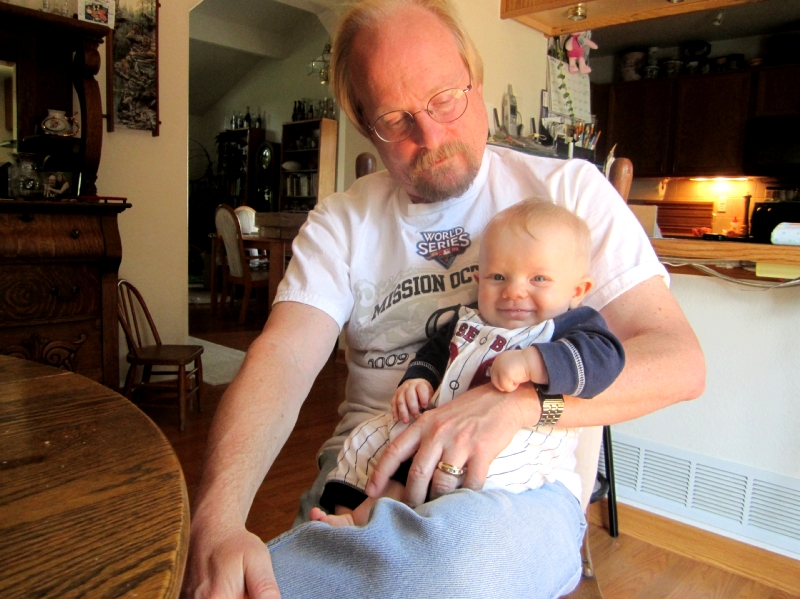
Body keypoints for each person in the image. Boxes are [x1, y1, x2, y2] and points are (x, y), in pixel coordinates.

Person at [183, 1, 705, 598]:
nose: (430, 136)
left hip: (514, 489)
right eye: (394, 118)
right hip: (368, 471)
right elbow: (282, 359)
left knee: (448, 569)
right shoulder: (340, 222)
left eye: (445, 98)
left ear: (475, 80)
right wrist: (216, 522)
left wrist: (522, 406)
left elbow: (679, 363)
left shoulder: (568, 196)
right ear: (364, 124)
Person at [311, 200, 625, 527]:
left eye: (539, 278)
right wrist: (418, 379)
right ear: (479, 279)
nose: (514, 291)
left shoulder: (572, 326)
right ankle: (350, 515)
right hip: (438, 420)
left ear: (577, 290)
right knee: (366, 438)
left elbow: (606, 359)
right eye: (498, 276)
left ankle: (391, 524)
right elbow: (434, 353)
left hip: (521, 440)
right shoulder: (467, 320)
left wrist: (534, 361)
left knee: (463, 476)